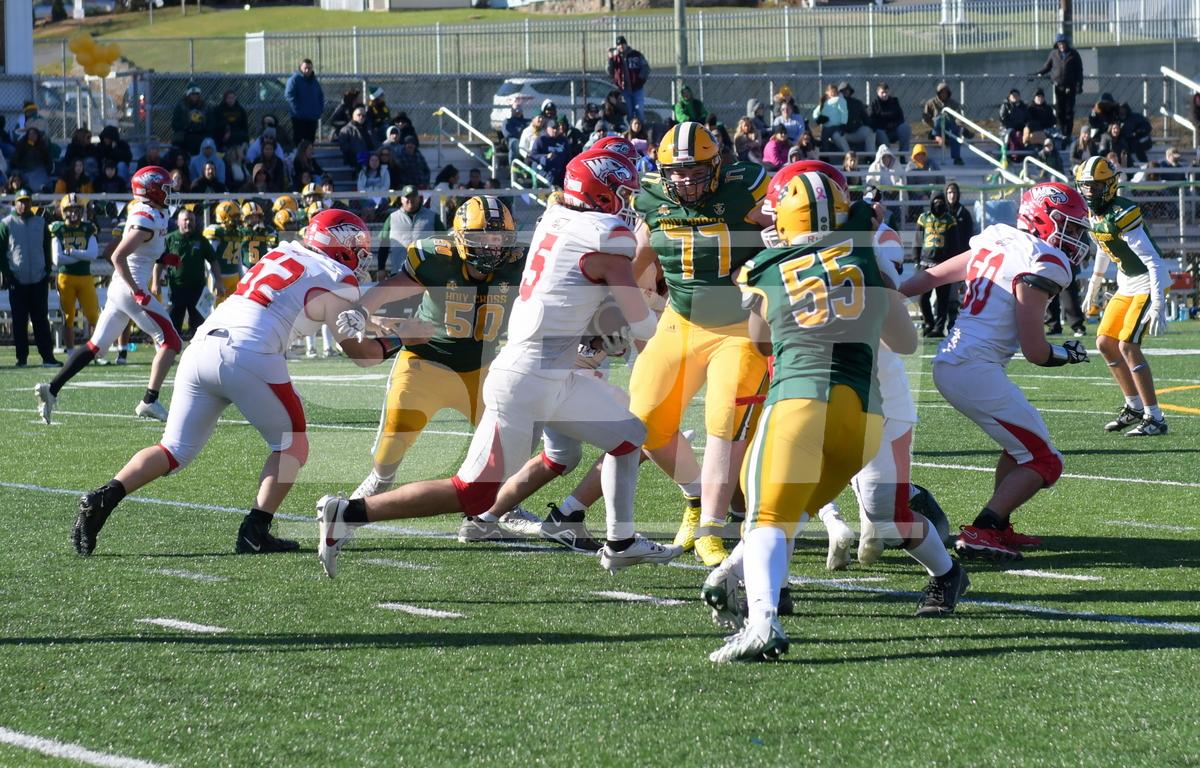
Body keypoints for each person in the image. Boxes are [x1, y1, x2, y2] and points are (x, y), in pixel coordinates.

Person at [317, 151, 680, 577]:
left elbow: (573, 292)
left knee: (628, 434)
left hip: (549, 374)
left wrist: (603, 323)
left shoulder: (556, 216)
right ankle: (348, 513)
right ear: (600, 195)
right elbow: (642, 324)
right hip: (526, 379)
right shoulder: (605, 236)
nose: (627, 203)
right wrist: (657, 313)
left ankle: (620, 542)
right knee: (472, 493)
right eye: (621, 193)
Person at [70, 209, 391, 558]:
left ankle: (104, 496)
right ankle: (255, 531)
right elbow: (360, 353)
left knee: (173, 449)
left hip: (202, 346)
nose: (361, 254)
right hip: (249, 353)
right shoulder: (336, 275)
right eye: (356, 245)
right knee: (293, 445)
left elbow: (307, 299)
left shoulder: (284, 252)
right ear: (338, 243)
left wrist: (372, 321)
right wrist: (399, 341)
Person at [706, 171, 918, 663]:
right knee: (788, 515)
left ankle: (763, 623)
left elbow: (760, 343)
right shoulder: (864, 253)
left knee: (764, 516)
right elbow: (906, 342)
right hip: (861, 421)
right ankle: (728, 574)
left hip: (799, 402)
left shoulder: (767, 266)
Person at [900, 182, 1092, 560]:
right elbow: (1035, 351)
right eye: (1068, 226)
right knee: (1046, 460)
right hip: (973, 369)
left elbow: (931, 277)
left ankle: (998, 525)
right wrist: (1067, 354)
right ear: (1042, 219)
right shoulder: (1042, 259)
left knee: (1020, 448)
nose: (1075, 238)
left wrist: (887, 296)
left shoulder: (997, 241)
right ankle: (983, 529)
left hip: (954, 362)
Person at [632, 123, 771, 567]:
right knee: (643, 423)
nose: (686, 182)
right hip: (681, 320)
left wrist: (765, 261)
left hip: (739, 326)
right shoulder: (651, 197)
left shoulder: (746, 187)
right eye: (677, 173)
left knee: (723, 422)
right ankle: (695, 497)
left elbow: (786, 231)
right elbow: (637, 258)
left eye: (696, 172)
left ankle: (712, 527)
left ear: (716, 166)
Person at [350, 195, 529, 510]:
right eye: (481, 238)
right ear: (460, 237)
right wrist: (362, 311)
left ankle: (500, 511)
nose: (491, 247)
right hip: (425, 364)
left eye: (498, 238)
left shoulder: (518, 264)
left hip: (480, 369)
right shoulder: (437, 258)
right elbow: (392, 287)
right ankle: (364, 496)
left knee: (505, 446)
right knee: (390, 449)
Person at [35, 168, 184, 425]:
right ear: (151, 190)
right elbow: (117, 256)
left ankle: (52, 389)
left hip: (120, 288)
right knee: (171, 341)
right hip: (130, 287)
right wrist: (137, 290)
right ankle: (149, 401)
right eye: (165, 188)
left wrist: (163, 258)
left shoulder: (154, 213)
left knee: (96, 346)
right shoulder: (147, 216)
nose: (169, 193)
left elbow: (142, 249)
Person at [1076, 156, 1169, 437]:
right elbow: (1104, 248)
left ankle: (1155, 417)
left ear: (1110, 185)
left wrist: (1159, 303)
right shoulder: (1094, 214)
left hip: (1148, 282)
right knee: (1105, 342)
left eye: (1095, 186)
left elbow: (1154, 262)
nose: (1090, 192)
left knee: (1128, 345)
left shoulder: (1121, 212)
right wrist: (1094, 284)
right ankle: (1134, 407)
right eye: (1086, 186)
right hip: (1127, 283)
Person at [1, 190, 58, 367]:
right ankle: (21, 358)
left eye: (26, 201)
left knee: (41, 320)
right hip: (17, 280)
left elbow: (47, 248)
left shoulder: (40, 223)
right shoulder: (6, 224)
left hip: (38, 279)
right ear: (15, 203)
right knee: (19, 321)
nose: (23, 205)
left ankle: (47, 357)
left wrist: (47, 270)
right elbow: (1, 253)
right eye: (20, 201)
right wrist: (7, 274)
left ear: (31, 202)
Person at [50, 194, 101, 352]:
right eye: (70, 209)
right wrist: (81, 256)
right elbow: (57, 259)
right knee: (68, 317)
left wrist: (72, 252)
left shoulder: (88, 228)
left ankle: (94, 351)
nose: (73, 213)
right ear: (63, 211)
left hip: (85, 278)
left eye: (77, 209)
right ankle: (71, 352)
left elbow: (93, 255)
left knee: (93, 315)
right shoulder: (58, 229)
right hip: (65, 278)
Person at [161, 208, 220, 339]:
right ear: (178, 222)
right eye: (185, 220)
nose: (188, 222)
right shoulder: (170, 239)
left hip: (197, 290)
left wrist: (219, 281)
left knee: (198, 326)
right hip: (176, 289)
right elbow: (159, 262)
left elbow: (214, 261)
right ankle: (171, 349)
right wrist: (155, 282)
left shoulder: (201, 240)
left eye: (191, 220)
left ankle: (198, 349)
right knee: (173, 324)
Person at [914, 192, 957, 337]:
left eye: (941, 201)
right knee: (922, 297)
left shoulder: (950, 220)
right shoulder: (923, 218)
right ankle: (929, 323)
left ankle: (939, 328)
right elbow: (917, 240)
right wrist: (916, 260)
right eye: (936, 201)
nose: (938, 203)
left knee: (942, 298)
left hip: (943, 264)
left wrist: (952, 264)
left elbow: (954, 244)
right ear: (931, 202)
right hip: (926, 263)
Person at [377, 186, 444, 276]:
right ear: (401, 199)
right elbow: (383, 245)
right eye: (407, 197)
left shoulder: (433, 217)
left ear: (419, 198)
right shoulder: (392, 218)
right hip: (399, 273)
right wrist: (381, 268)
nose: (410, 200)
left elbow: (444, 242)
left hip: (426, 272)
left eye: (413, 196)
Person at [1032, 33, 1084, 138]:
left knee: (1069, 111)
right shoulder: (1054, 54)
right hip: (1058, 87)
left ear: (1067, 44)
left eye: (1063, 43)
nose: (1062, 46)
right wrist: (1036, 74)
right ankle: (1061, 132)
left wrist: (1079, 85)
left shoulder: (1074, 54)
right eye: (1060, 44)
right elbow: (1047, 67)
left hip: (1070, 87)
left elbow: (1079, 71)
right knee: (1059, 110)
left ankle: (1067, 134)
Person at [204, 200, 244, 300]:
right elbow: (209, 258)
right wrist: (214, 279)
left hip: (234, 276)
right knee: (216, 306)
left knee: (234, 306)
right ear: (224, 216)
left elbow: (238, 258)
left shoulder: (237, 233)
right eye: (235, 216)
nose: (238, 219)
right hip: (220, 276)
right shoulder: (216, 231)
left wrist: (241, 276)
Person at [607, 35, 649, 122]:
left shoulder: (636, 55)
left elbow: (645, 68)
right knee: (628, 112)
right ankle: (630, 129)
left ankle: (641, 128)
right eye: (619, 45)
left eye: (622, 44)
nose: (621, 46)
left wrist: (640, 80)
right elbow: (610, 71)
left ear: (626, 44)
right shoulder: (615, 58)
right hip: (624, 90)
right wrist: (610, 59)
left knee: (639, 111)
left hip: (637, 89)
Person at [922, 82, 964, 165]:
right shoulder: (931, 102)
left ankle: (957, 157)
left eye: (945, 92)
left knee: (955, 133)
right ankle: (938, 136)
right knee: (939, 119)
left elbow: (958, 118)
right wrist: (931, 124)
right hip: (936, 127)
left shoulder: (953, 103)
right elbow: (925, 119)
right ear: (938, 93)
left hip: (949, 126)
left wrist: (960, 126)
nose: (944, 94)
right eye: (941, 92)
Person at [286, 58, 324, 144]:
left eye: (309, 68)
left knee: (310, 141)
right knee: (299, 142)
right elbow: (289, 96)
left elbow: (320, 96)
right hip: (299, 118)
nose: (307, 70)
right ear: (300, 68)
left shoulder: (314, 81)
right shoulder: (294, 79)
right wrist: (297, 111)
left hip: (312, 117)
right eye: (305, 68)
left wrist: (319, 110)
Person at [868, 82, 910, 152]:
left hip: (894, 130)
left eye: (886, 92)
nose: (885, 94)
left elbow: (901, 118)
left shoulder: (894, 101)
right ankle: (886, 154)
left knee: (905, 127)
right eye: (882, 92)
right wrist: (883, 126)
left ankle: (903, 153)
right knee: (880, 133)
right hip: (881, 131)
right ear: (877, 92)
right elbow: (872, 120)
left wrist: (894, 125)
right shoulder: (874, 104)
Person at [530, 120, 572, 186]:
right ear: (547, 128)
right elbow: (533, 155)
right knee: (551, 174)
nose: (555, 130)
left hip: (560, 169)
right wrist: (546, 156)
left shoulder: (563, 140)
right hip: (545, 169)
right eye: (553, 128)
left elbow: (568, 156)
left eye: (557, 128)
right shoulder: (541, 139)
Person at [838, 82, 876, 153]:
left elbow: (865, 119)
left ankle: (871, 156)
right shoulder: (835, 104)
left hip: (856, 131)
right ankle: (849, 156)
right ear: (839, 92)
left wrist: (873, 127)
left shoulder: (857, 103)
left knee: (869, 131)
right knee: (836, 134)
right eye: (843, 90)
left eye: (848, 90)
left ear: (850, 91)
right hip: (842, 134)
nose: (846, 91)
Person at [239, 201, 279, 269]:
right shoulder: (240, 231)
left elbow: (273, 245)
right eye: (251, 217)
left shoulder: (267, 230)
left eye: (256, 216)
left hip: (263, 268)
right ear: (244, 218)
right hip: (245, 268)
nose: (254, 219)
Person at [811, 82, 850, 152]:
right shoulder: (824, 102)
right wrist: (818, 119)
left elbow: (844, 112)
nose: (833, 93)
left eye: (835, 92)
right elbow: (815, 112)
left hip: (837, 127)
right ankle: (825, 156)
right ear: (827, 92)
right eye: (831, 91)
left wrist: (843, 124)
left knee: (839, 139)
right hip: (826, 127)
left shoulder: (840, 100)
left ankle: (848, 154)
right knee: (824, 142)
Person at [171, 84, 209, 156]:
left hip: (201, 133)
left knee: (207, 141)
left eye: (197, 94)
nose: (195, 96)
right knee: (187, 141)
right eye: (192, 94)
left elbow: (209, 123)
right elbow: (174, 124)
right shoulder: (180, 106)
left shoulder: (205, 106)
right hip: (185, 133)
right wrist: (186, 124)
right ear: (188, 95)